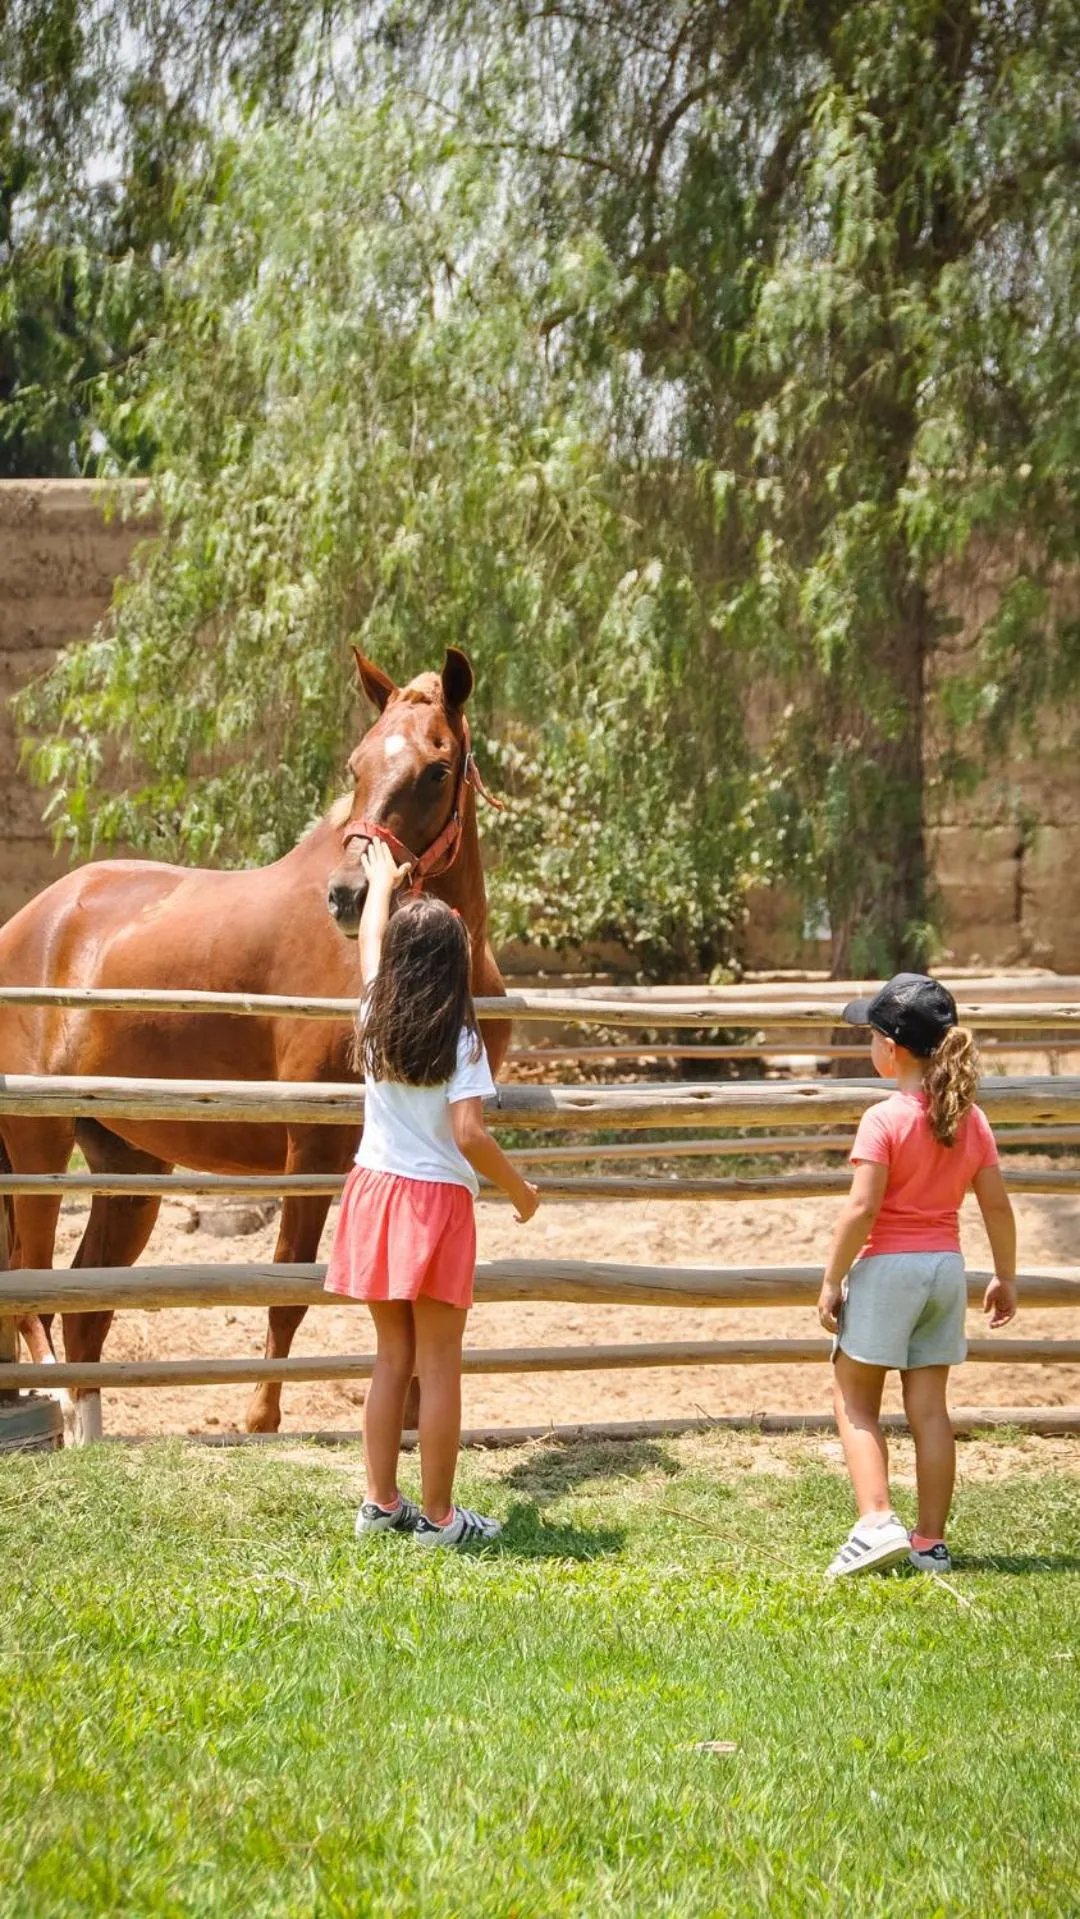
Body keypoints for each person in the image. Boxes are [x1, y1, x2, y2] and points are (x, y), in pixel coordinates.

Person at [324, 838, 539, 1547]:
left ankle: (381, 1502)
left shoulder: (371, 1016)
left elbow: (370, 954)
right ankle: (443, 1518)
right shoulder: (462, 1040)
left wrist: (382, 881)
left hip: (374, 1192)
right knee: (440, 1364)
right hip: (434, 1205)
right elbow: (470, 1134)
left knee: (391, 1359)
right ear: (454, 969)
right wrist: (520, 1189)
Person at [817, 973, 1017, 1578]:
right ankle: (930, 1541)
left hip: (888, 1270)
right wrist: (1006, 1277)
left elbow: (862, 1209)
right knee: (930, 1409)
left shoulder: (884, 1118)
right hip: (946, 1272)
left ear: (893, 1048)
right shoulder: (970, 1119)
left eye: (871, 1036)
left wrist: (831, 1280)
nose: (868, 1046)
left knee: (854, 1399)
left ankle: (875, 1522)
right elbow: (998, 1207)